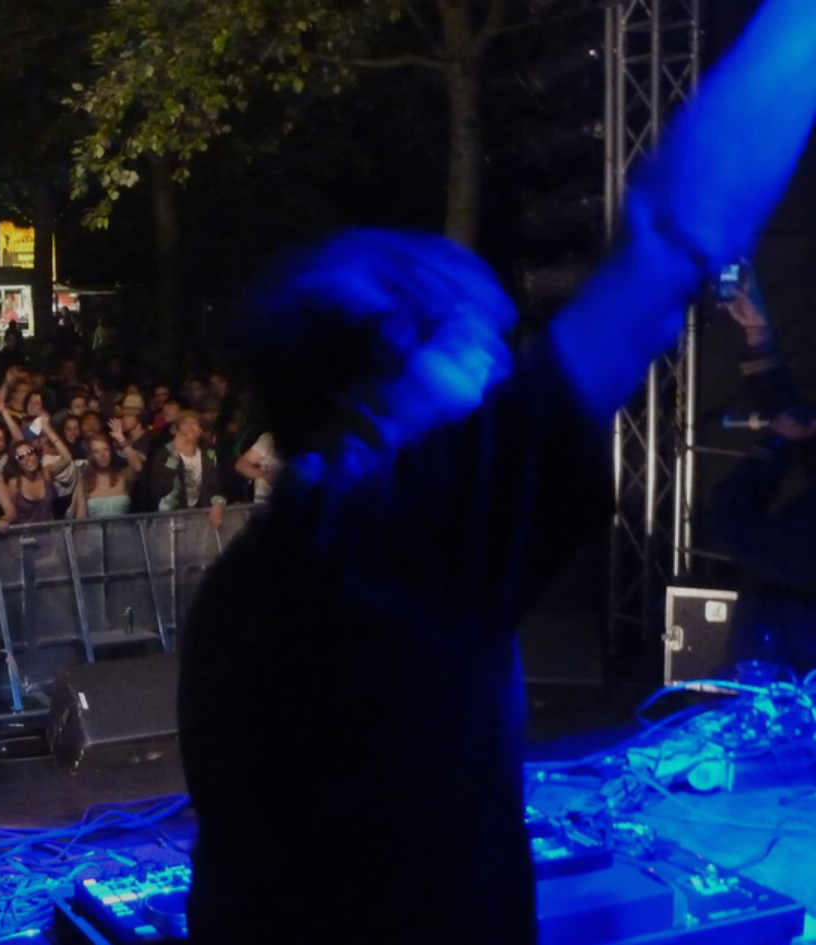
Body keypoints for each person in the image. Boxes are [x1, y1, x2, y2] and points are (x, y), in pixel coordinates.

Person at [179, 3, 816, 939]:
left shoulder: (257, 574)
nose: (497, 373)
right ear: (388, 366)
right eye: (474, 344)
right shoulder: (399, 541)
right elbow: (672, 240)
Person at [708, 265, 816, 672]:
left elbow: (734, 522)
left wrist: (772, 447)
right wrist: (759, 337)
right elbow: (799, 422)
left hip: (789, 681)